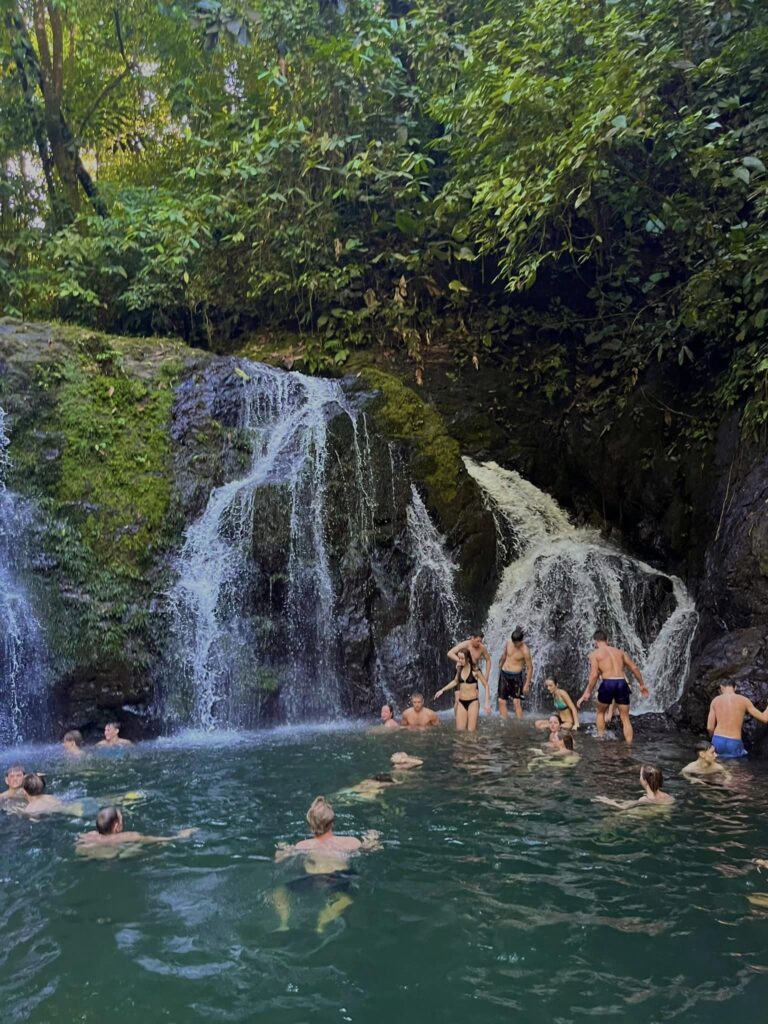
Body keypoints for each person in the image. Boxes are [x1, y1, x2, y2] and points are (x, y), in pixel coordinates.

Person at [273, 797, 381, 933]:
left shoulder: (303, 845)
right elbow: (372, 849)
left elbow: (278, 860)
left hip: (313, 878)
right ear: (332, 823)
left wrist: (282, 848)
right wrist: (372, 838)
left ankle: (284, 923)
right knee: (344, 898)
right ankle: (321, 925)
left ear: (310, 825)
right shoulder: (350, 842)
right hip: (339, 878)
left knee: (279, 892)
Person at [577, 630, 650, 743]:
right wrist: (641, 684)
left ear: (595, 642)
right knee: (625, 718)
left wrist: (587, 692)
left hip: (608, 683)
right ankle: (629, 744)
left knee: (600, 712)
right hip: (621, 683)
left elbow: (594, 675)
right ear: (607, 640)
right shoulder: (620, 652)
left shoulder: (594, 654)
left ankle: (601, 738)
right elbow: (634, 668)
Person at [76, 806, 196, 859]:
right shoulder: (128, 836)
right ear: (117, 826)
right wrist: (178, 837)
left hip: (92, 858)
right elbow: (153, 839)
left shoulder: (89, 835)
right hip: (115, 861)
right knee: (154, 847)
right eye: (122, 819)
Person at [706, 682, 768, 759]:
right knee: (735, 768)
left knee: (717, 767)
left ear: (721, 686)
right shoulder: (744, 700)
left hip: (718, 740)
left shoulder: (715, 701)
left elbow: (709, 727)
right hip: (734, 741)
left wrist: (714, 739)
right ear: (735, 688)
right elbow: (765, 719)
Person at [434, 649, 490, 731]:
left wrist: (487, 703)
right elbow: (455, 681)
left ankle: (474, 742)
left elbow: (486, 685)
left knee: (471, 731)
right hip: (461, 702)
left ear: (468, 659)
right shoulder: (459, 669)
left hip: (473, 702)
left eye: (462, 658)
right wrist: (442, 690)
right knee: (460, 731)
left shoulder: (475, 670)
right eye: (459, 658)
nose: (460, 660)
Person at [593, 764, 674, 809]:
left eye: (640, 776)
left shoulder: (644, 799)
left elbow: (623, 808)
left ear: (644, 781)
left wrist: (609, 801)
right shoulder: (667, 796)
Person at [496, 627, 533, 719]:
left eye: (517, 643)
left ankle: (519, 724)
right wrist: (500, 664)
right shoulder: (509, 643)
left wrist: (527, 684)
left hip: (516, 677)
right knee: (501, 701)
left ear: (521, 641)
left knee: (516, 702)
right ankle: (505, 722)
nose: (515, 645)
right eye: (514, 642)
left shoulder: (525, 651)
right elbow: (505, 655)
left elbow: (530, 668)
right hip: (504, 674)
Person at [448, 633, 493, 704]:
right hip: (461, 670)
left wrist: (486, 674)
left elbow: (488, 660)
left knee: (476, 696)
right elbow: (450, 653)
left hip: (473, 672)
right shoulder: (465, 644)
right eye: (477, 641)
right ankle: (458, 714)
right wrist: (460, 660)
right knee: (458, 698)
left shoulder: (482, 648)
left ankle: (475, 713)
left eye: (480, 641)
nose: (479, 643)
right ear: (472, 638)